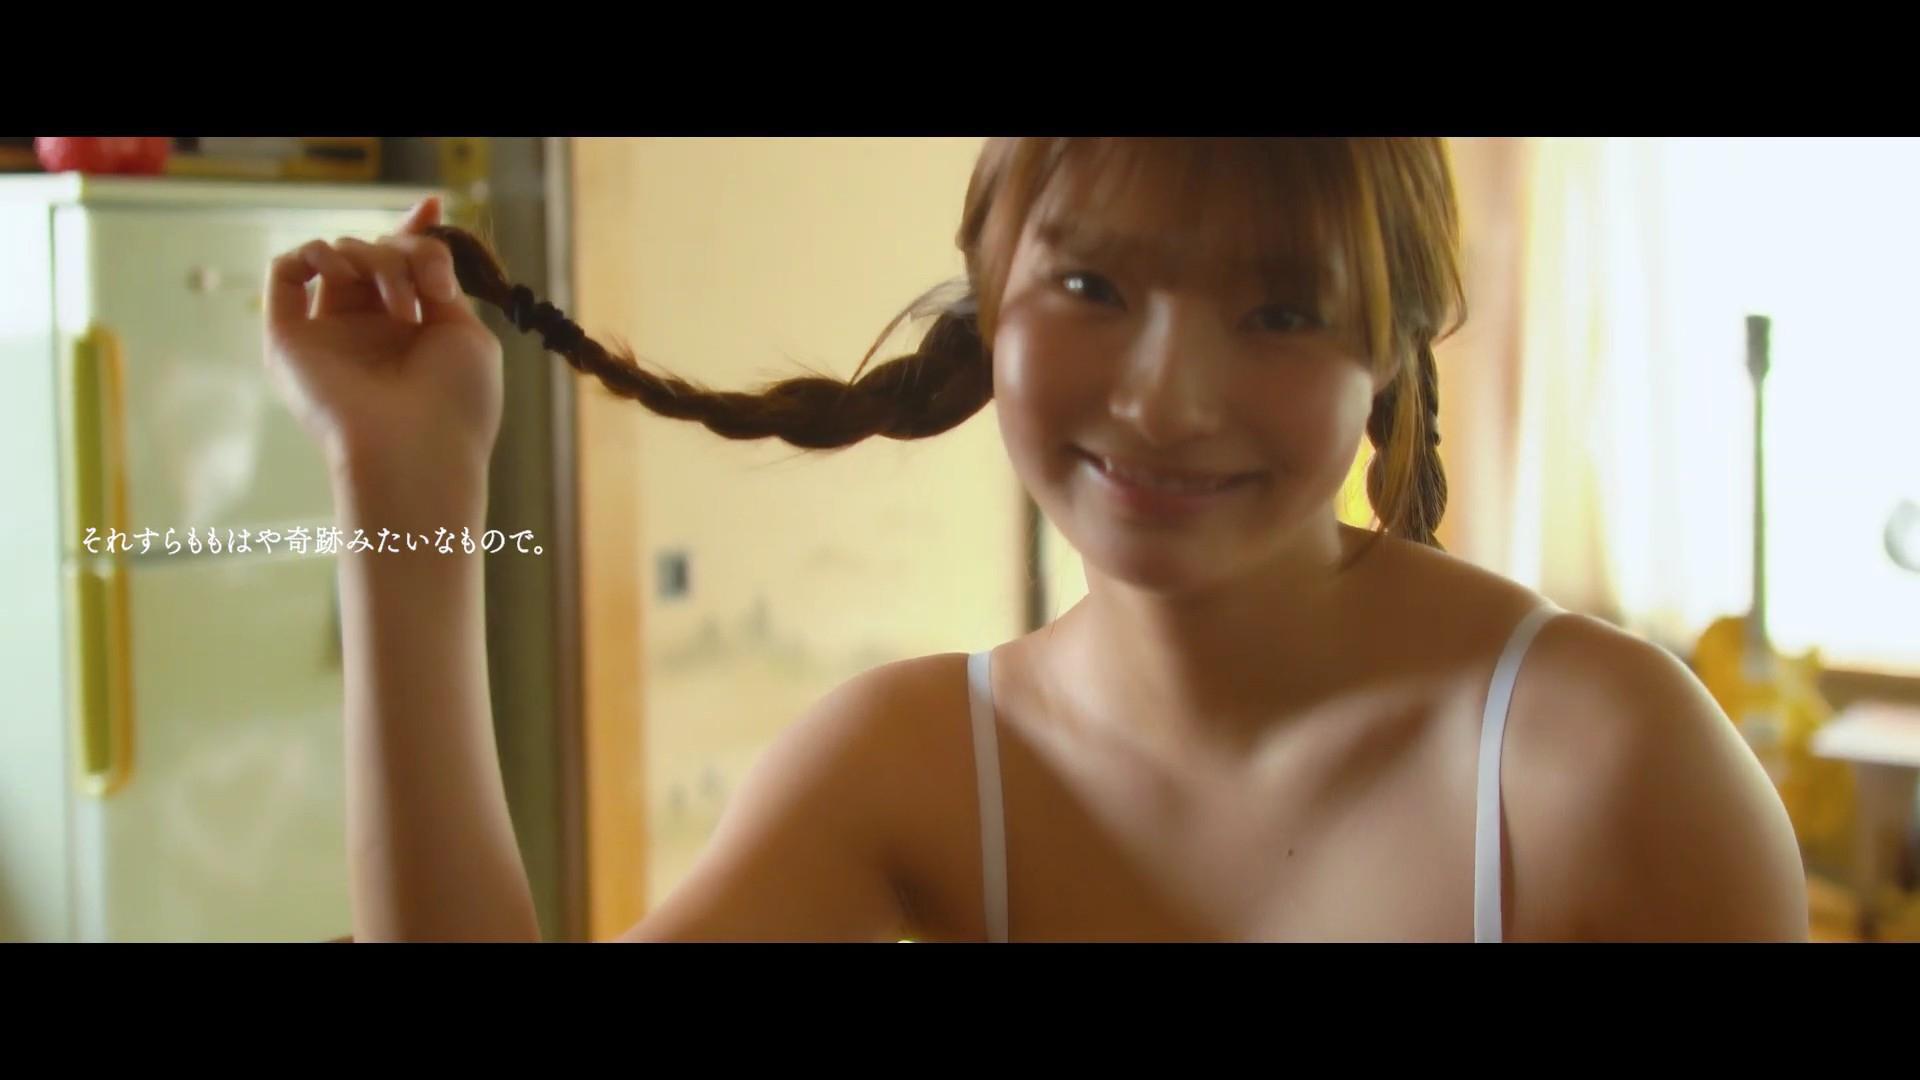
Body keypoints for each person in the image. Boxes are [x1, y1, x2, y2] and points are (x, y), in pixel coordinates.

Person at [262, 137, 1810, 942]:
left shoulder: (1599, 768)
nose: (1165, 398)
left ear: (1390, 350)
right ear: (991, 294)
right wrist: (406, 487)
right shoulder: (923, 763)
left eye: (1279, 309)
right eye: (1093, 288)